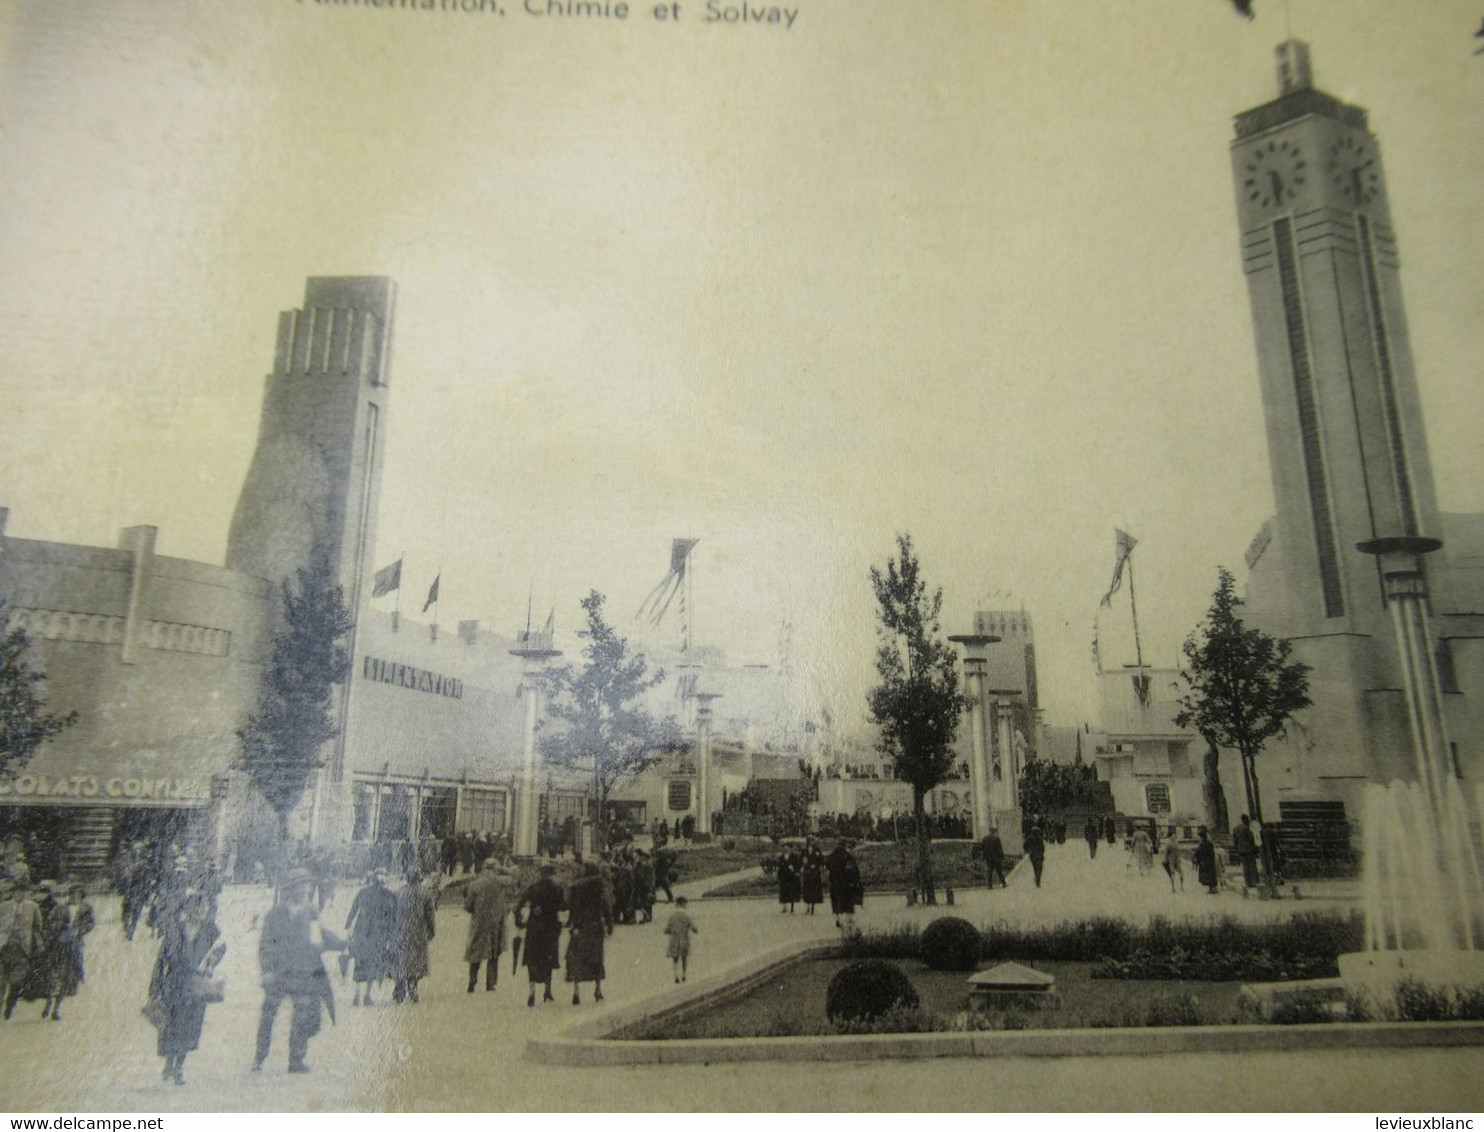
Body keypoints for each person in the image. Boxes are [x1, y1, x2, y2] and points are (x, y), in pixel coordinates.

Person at [253, 868, 341, 1074]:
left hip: (302, 972)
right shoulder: (275, 914)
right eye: (301, 886)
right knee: (268, 1015)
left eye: (307, 885)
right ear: (290, 890)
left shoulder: (310, 911)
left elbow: (319, 936)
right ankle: (259, 1056)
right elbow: (265, 944)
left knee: (303, 1016)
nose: (306, 890)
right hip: (278, 973)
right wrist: (267, 970)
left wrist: (343, 943)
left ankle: (296, 1060)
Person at [147, 892, 224, 1085]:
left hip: (196, 986)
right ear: (187, 910)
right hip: (174, 985)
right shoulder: (174, 930)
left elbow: (222, 948)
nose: (199, 912)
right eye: (195, 908)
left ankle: (179, 1067)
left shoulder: (211, 931)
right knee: (171, 1026)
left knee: (189, 1027)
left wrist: (212, 963)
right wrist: (154, 990)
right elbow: (160, 962)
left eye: (203, 909)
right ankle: (169, 1063)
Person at [514, 863, 565, 1007]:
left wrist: (520, 922)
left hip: (534, 927)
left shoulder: (533, 888)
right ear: (551, 875)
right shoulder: (556, 889)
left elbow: (519, 906)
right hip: (550, 928)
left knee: (532, 958)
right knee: (548, 958)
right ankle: (547, 990)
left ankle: (531, 991)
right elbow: (562, 906)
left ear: (540, 875)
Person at [343, 870, 396, 1006]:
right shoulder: (388, 895)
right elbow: (393, 916)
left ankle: (357, 994)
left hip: (361, 931)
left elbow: (353, 909)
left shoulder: (363, 892)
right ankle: (367, 995)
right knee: (373, 964)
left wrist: (348, 925)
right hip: (378, 934)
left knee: (360, 962)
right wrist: (392, 933)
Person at [564, 861, 612, 1005]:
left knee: (576, 957)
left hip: (580, 926)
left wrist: (573, 924)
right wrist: (609, 925)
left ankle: (576, 991)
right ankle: (597, 989)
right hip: (595, 926)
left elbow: (571, 906)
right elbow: (606, 907)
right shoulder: (599, 887)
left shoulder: (577, 887)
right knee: (596, 957)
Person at [463, 860, 511, 993]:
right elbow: (514, 879)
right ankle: (490, 983)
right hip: (495, 923)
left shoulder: (475, 884)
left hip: (479, 922)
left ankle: (472, 980)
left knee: (476, 951)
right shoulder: (500, 883)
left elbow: (467, 906)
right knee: (494, 952)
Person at [0, 877, 43, 1020]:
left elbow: (38, 926)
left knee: (16, 981)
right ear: (12, 894)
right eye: (17, 893)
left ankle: (9, 1005)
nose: (20, 895)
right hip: (5, 947)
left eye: (23, 893)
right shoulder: (4, 907)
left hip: (22, 949)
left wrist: (35, 942)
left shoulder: (32, 906)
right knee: (1, 980)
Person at [391, 869, 436, 1004]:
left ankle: (400, 989)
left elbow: (392, 914)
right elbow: (430, 917)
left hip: (400, 932)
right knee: (415, 961)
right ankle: (413, 987)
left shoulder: (398, 893)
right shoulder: (426, 894)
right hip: (418, 932)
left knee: (401, 960)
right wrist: (431, 931)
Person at [53, 882, 94, 1017]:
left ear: (81, 896)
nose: (74, 897)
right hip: (62, 942)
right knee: (59, 970)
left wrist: (81, 930)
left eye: (77, 895)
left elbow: (91, 923)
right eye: (72, 894)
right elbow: (52, 922)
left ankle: (74, 981)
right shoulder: (61, 908)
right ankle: (56, 998)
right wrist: (59, 926)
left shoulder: (86, 908)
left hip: (76, 942)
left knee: (75, 965)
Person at [663, 896, 698, 983]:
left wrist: (672, 931)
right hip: (684, 940)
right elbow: (694, 928)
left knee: (675, 959)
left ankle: (676, 975)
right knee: (684, 958)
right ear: (683, 904)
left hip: (674, 940)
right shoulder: (686, 916)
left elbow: (667, 929)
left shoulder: (672, 916)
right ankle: (684, 975)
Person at [1233, 814, 1259, 889]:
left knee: (1245, 866)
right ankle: (1254, 882)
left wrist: (1237, 848)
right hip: (1250, 850)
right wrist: (1256, 848)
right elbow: (1252, 839)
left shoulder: (1236, 828)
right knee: (1252, 866)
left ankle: (1248, 883)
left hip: (1241, 850)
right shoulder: (1248, 828)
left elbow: (1235, 841)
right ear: (1246, 820)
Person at [800, 841, 825, 915]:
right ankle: (807, 907)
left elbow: (821, 861)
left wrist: (817, 866)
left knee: (814, 891)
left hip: (815, 874)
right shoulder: (804, 851)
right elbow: (802, 861)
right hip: (807, 873)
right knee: (807, 891)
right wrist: (804, 867)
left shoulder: (817, 851)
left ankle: (813, 907)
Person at [1194, 827, 1219, 894]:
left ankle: (1213, 889)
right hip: (1209, 861)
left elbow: (1198, 852)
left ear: (1201, 836)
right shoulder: (1208, 843)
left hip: (1205, 862)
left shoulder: (1203, 843)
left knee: (1208, 875)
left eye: (1198, 836)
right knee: (1210, 875)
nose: (1198, 838)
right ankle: (1212, 888)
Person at [776, 848, 799, 914]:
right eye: (785, 848)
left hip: (791, 877)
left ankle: (792, 908)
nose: (787, 850)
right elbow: (779, 865)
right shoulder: (781, 857)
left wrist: (794, 869)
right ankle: (784, 907)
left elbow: (797, 865)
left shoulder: (793, 857)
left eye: (788, 848)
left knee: (791, 892)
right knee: (783, 892)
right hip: (783, 876)